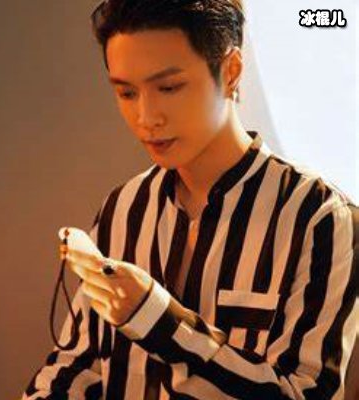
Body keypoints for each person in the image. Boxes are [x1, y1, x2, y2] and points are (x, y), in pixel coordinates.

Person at [21, 0, 358, 399]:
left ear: (231, 71)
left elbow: (307, 393)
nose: (146, 117)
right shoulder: (124, 207)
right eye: (126, 92)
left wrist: (158, 320)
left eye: (169, 87)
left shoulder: (320, 217)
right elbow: (75, 367)